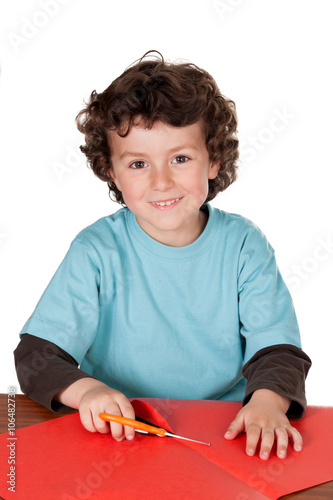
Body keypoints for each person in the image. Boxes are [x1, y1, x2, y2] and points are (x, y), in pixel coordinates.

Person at [14, 50, 311, 461]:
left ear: (214, 160)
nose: (161, 181)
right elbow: (37, 357)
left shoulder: (245, 245)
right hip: (122, 432)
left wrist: (266, 403)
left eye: (180, 158)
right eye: (138, 163)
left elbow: (278, 351)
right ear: (111, 172)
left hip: (228, 432)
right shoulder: (95, 251)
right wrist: (90, 393)